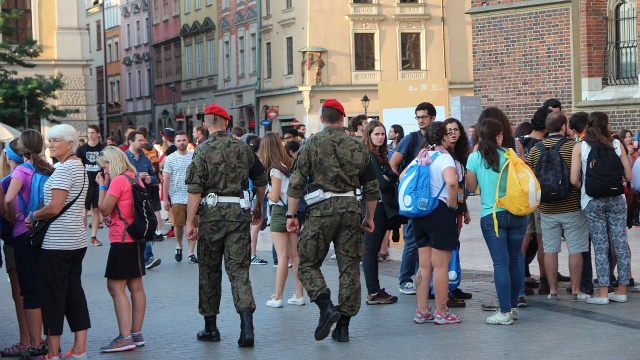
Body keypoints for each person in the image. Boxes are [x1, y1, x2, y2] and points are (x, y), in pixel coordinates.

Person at [285, 99, 379, 342]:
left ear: (322, 119)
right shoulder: (359, 147)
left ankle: (326, 306)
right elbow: (371, 188)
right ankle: (343, 327)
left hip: (320, 211)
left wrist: (291, 215)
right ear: (342, 119)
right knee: (349, 268)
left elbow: (296, 183)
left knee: (307, 263)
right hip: (350, 210)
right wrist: (369, 217)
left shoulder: (311, 143)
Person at [186, 104, 267, 347]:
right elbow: (260, 179)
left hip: (211, 216)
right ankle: (247, 328)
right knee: (239, 272)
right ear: (226, 122)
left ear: (206, 123)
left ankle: (211, 328)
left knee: (209, 272)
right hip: (238, 214)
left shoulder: (202, 150)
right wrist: (258, 205)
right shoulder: (243, 148)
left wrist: (191, 222)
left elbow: (194, 190)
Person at [25, 124, 90, 360]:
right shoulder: (78, 167)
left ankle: (52, 353)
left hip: (57, 243)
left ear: (70, 144)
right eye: (49, 140)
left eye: (55, 141)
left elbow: (54, 207)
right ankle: (80, 349)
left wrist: (33, 215)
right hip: (76, 240)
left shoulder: (64, 169)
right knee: (74, 293)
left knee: (53, 297)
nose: (50, 144)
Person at [466, 118, 527, 325]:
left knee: (501, 262)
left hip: (492, 215)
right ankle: (512, 307)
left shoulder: (475, 158)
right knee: (514, 260)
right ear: (499, 136)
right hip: (518, 214)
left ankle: (504, 312)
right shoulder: (510, 155)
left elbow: (471, 187)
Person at [527, 112, 591, 302]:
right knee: (576, 248)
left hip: (547, 208)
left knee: (550, 249)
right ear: (564, 127)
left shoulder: (536, 149)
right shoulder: (574, 146)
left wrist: (537, 202)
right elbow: (579, 174)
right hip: (572, 206)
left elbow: (530, 179)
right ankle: (576, 290)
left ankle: (553, 290)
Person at [570, 112, 632, 304]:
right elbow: (628, 177)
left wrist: (588, 188)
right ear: (606, 125)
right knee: (620, 243)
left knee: (600, 245)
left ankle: (603, 292)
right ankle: (621, 290)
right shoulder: (617, 144)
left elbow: (573, 179)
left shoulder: (580, 146)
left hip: (592, 200)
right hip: (617, 199)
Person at [4, 130, 54, 358]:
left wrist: (12, 214)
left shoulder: (22, 170)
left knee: (30, 291)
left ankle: (35, 344)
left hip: (24, 234)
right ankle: (52, 341)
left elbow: (7, 198)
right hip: (46, 234)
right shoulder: (48, 170)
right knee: (48, 288)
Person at [96, 146, 147, 353]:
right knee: (136, 286)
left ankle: (124, 337)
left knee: (115, 288)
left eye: (105, 165)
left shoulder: (117, 181)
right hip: (135, 238)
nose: (104, 170)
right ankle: (136, 333)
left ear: (113, 161)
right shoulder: (135, 178)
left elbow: (104, 208)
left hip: (122, 239)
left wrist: (101, 187)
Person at [411, 122, 462, 324]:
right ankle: (442, 312)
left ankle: (422, 311)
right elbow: (451, 182)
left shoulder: (421, 156)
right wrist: (452, 204)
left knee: (424, 266)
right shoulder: (444, 157)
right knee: (441, 266)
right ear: (443, 136)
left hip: (420, 214)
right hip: (439, 212)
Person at [389, 102, 436, 296]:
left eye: (424, 117)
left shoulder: (436, 138)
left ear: (432, 118)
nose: (421, 120)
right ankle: (405, 278)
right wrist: (404, 184)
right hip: (414, 198)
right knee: (411, 240)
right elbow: (393, 164)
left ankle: (421, 278)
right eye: (418, 117)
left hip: (431, 197)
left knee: (425, 241)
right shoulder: (411, 139)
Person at [260, 132, 305, 308]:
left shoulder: (274, 169)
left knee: (282, 256)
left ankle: (278, 297)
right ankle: (299, 294)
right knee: (295, 255)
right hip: (293, 211)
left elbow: (275, 194)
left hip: (279, 212)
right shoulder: (289, 164)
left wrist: (264, 192)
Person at [361, 120, 399, 305]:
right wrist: (389, 179)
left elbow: (390, 178)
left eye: (382, 134)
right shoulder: (369, 155)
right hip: (373, 207)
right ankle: (373, 292)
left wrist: (389, 178)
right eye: (376, 134)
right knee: (370, 249)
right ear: (369, 135)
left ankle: (375, 290)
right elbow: (382, 183)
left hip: (381, 206)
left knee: (373, 249)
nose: (381, 137)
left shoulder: (381, 155)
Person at [0, 140, 31, 357]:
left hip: (14, 239)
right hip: (40, 239)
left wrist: (11, 216)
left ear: (9, 158)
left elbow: (5, 212)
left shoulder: (7, 181)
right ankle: (43, 339)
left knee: (20, 294)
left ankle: (25, 340)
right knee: (37, 290)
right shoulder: (39, 173)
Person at [442, 118, 473, 304]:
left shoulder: (461, 154)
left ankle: (453, 285)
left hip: (458, 206)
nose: (452, 133)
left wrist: (465, 208)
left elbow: (461, 185)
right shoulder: (441, 154)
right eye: (449, 130)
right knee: (446, 248)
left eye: (455, 129)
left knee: (455, 246)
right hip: (445, 207)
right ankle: (445, 290)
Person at [125, 131, 162, 270]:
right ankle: (136, 256)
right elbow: (117, 177)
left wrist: (149, 179)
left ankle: (148, 257)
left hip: (143, 198)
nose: (143, 142)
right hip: (128, 197)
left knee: (144, 226)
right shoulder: (124, 158)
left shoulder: (145, 157)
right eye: (140, 140)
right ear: (131, 142)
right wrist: (136, 176)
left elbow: (154, 177)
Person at [163, 131, 198, 264]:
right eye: (179, 140)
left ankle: (191, 253)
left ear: (187, 140)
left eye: (184, 140)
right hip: (177, 195)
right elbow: (166, 179)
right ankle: (179, 245)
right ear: (175, 142)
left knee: (193, 224)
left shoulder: (194, 157)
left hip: (192, 195)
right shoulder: (170, 158)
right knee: (178, 224)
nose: (182, 143)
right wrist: (166, 198)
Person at [76, 124, 106, 246]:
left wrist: (105, 182)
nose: (90, 135)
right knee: (84, 211)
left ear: (97, 133)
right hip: (86, 183)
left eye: (92, 133)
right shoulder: (82, 149)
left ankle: (94, 237)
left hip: (98, 183)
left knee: (95, 210)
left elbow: (106, 166)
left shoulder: (103, 149)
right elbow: (78, 166)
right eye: (88, 133)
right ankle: (82, 237)